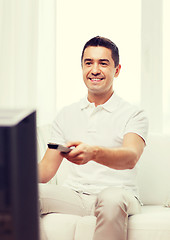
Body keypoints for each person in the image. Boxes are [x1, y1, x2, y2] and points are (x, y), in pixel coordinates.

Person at [39, 36, 148, 240]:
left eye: (103, 63)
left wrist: (94, 153)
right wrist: (10, 172)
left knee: (111, 198)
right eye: (88, 63)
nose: (95, 70)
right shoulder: (66, 114)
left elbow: (131, 157)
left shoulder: (134, 114)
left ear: (117, 70)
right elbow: (45, 170)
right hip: (76, 195)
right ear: (82, 68)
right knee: (22, 193)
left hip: (120, 194)